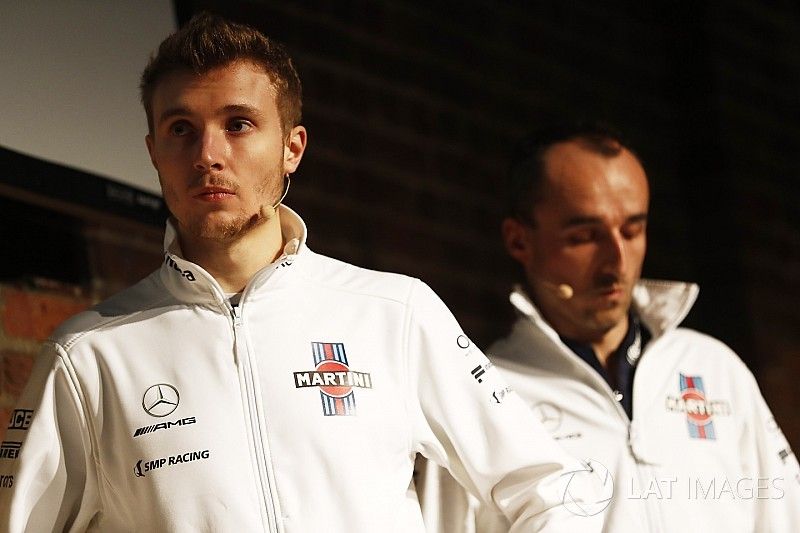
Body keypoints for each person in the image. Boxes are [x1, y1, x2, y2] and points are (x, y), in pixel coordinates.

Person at [0, 14, 604, 532]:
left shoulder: (395, 312)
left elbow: (549, 489)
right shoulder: (87, 355)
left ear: (292, 147)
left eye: (238, 124)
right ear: (155, 151)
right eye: (180, 129)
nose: (207, 154)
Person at [420, 123, 800, 532]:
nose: (617, 261)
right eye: (585, 236)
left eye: (632, 230)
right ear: (518, 241)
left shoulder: (715, 368)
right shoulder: (479, 396)